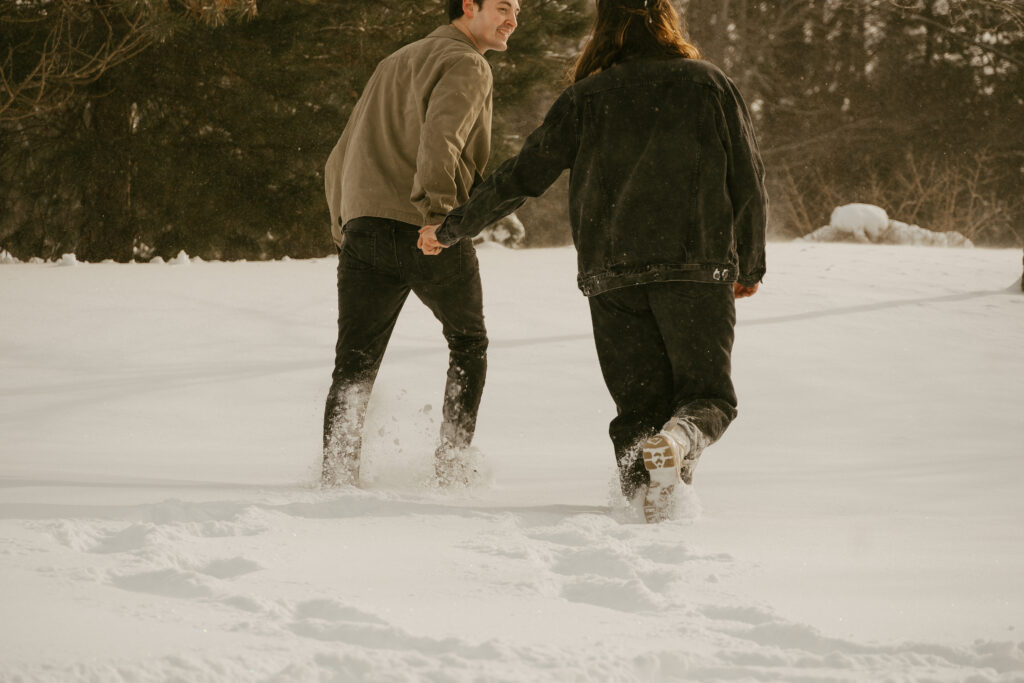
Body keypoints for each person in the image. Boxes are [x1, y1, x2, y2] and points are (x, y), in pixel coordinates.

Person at [419, 0, 767, 521]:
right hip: (695, 266)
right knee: (707, 397)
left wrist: (453, 228)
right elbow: (747, 179)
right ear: (666, 20)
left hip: (613, 276)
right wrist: (751, 264)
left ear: (604, 27)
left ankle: (640, 509)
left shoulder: (585, 97)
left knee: (636, 411)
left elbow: (522, 176)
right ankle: (681, 440)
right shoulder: (707, 83)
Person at [321, 0, 521, 488]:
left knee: (354, 362)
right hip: (424, 229)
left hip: (364, 230)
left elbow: (338, 157)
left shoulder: (395, 60)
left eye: (518, 9)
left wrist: (343, 226)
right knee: (468, 342)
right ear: (468, 6)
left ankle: (336, 474)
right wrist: (439, 220)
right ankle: (452, 467)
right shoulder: (467, 62)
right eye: (501, 6)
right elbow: (442, 141)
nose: (513, 19)